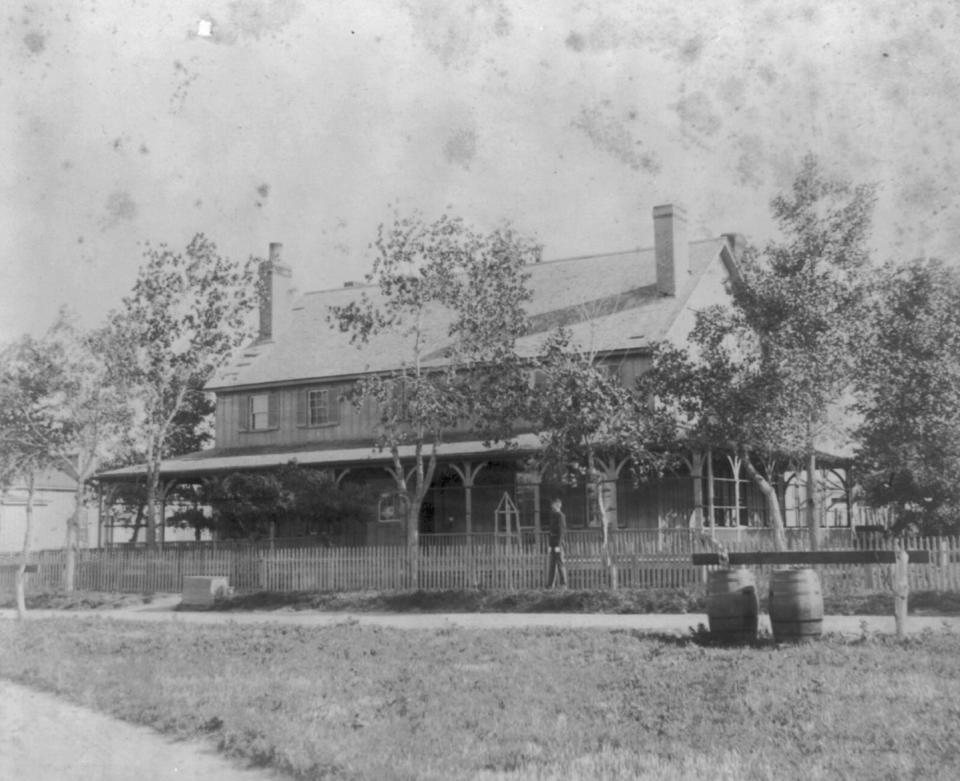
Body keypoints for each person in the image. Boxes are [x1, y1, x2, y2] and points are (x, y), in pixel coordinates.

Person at [547, 497, 567, 588]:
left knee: (560, 564)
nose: (552, 506)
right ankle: (550, 585)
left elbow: (562, 531)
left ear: (559, 505)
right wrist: (550, 545)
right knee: (551, 565)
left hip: (558, 544)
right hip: (553, 543)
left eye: (554, 504)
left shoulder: (560, 516)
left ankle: (563, 585)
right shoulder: (553, 515)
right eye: (552, 504)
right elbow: (551, 532)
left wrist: (558, 545)